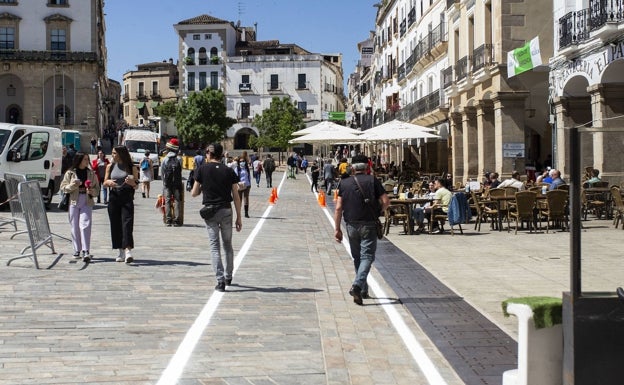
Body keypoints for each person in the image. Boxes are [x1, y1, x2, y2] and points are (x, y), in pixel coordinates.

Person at [333, 155, 390, 305]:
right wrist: (378, 211)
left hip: (351, 224)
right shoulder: (373, 181)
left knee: (358, 257)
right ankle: (358, 285)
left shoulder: (343, 183)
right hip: (369, 224)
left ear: (352, 168)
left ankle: (363, 290)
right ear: (367, 167)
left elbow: (338, 208)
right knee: (367, 257)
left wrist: (337, 229)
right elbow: (386, 201)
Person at [191, 143, 242, 292]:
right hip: (226, 210)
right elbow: (236, 196)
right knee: (227, 244)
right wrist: (239, 217)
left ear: (209, 154)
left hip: (211, 211)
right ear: (221, 155)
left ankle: (220, 281)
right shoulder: (228, 171)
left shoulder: (202, 169)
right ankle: (229, 275)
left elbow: (194, 193)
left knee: (214, 246)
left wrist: (202, 188)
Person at [60, 151, 100, 262]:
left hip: (86, 200)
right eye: (85, 159)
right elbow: (63, 187)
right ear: (79, 160)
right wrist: (73, 185)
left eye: (87, 159)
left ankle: (86, 250)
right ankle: (76, 249)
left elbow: (97, 189)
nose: (87, 161)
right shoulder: (70, 173)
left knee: (85, 224)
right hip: (73, 201)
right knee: (74, 226)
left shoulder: (91, 173)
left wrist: (92, 191)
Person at [102, 145, 138, 263]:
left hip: (126, 196)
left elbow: (136, 185)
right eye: (112, 153)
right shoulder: (110, 166)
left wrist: (132, 182)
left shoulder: (131, 167)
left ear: (121, 154)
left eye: (114, 153)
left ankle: (128, 250)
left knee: (127, 222)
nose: (112, 155)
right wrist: (109, 182)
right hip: (114, 196)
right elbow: (105, 182)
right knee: (115, 224)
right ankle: (120, 251)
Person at [161, 139, 183, 226]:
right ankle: (177, 220)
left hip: (168, 183)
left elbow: (162, 173)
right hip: (177, 183)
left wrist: (164, 182)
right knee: (177, 200)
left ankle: (168, 220)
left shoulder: (165, 159)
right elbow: (180, 171)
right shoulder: (179, 159)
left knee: (167, 201)